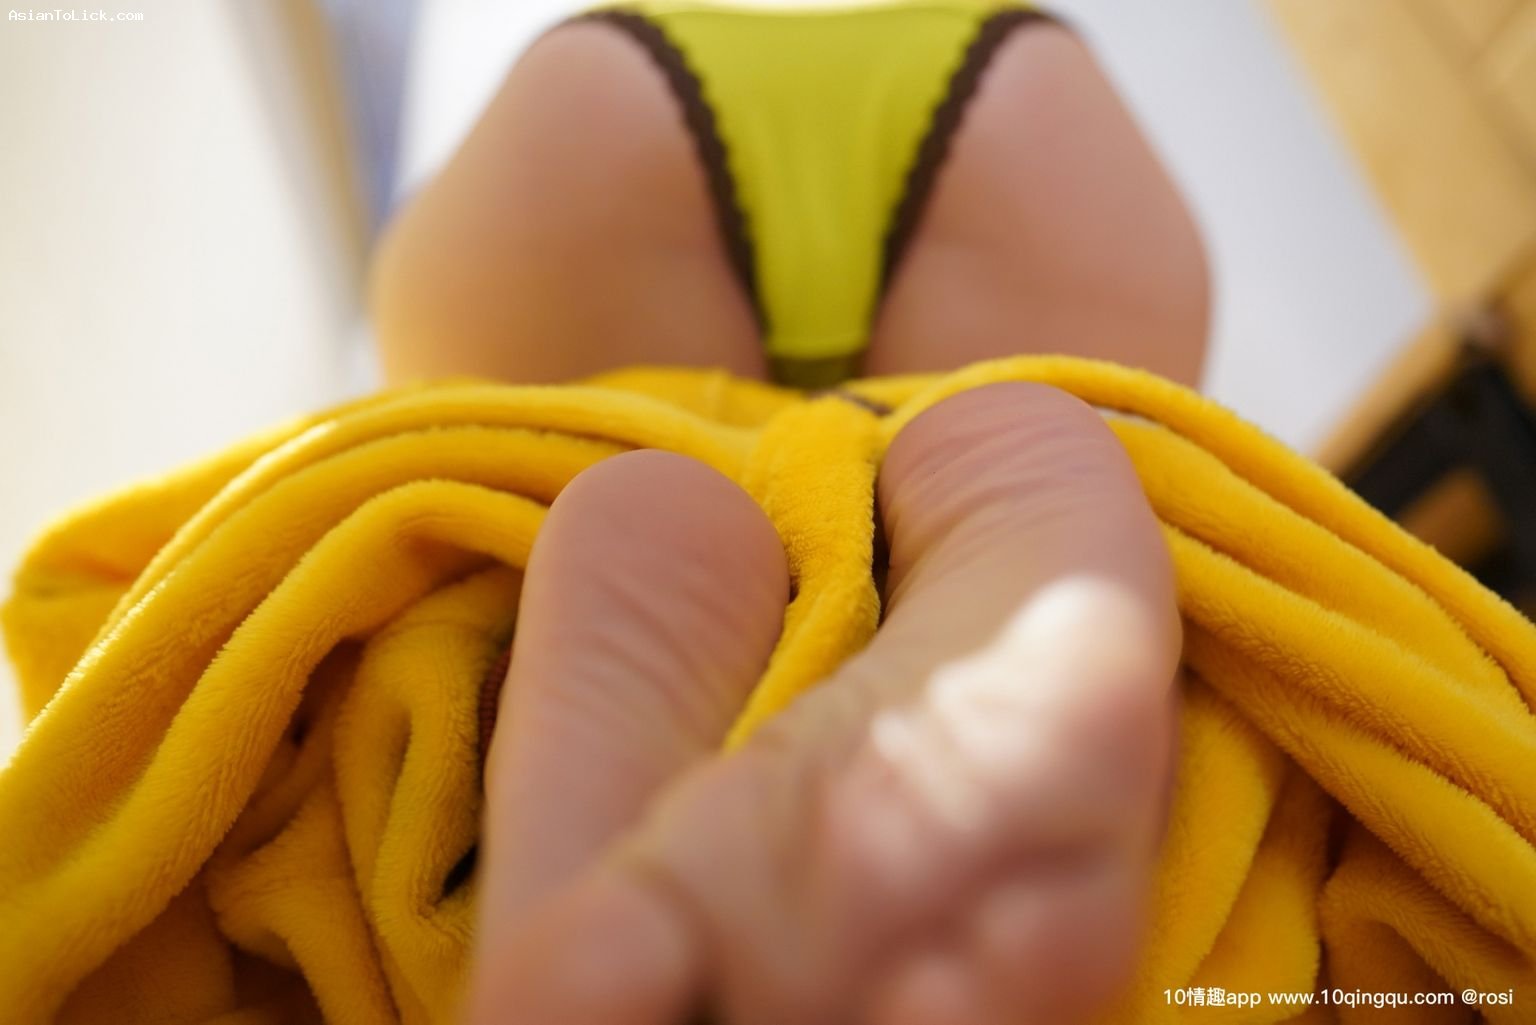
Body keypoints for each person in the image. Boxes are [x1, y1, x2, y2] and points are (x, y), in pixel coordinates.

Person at [369, 2, 1208, 1021]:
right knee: (1002, 433)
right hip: (1018, 102)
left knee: (641, 480)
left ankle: (575, 884)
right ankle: (1013, 575)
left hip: (592, 105)